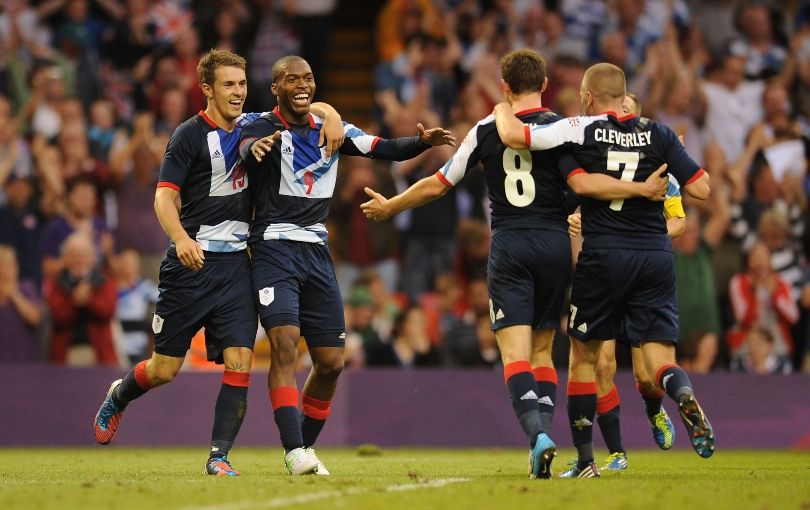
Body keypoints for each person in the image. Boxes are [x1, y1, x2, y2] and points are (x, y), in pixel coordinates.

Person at [360, 49, 667, 480]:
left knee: (514, 354)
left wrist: (392, 206)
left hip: (509, 244)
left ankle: (538, 437)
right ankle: (544, 440)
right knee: (544, 351)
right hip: (556, 245)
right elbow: (591, 178)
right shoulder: (564, 129)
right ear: (544, 84)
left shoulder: (487, 128)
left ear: (504, 86)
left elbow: (438, 183)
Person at [91, 49, 345, 477]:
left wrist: (331, 113)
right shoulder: (188, 135)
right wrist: (180, 238)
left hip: (237, 268)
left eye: (242, 84)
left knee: (240, 361)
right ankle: (120, 394)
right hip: (190, 265)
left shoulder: (255, 124)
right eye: (229, 85)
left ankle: (218, 457)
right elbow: (163, 197)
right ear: (207, 89)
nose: (238, 92)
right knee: (164, 368)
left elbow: (301, 100)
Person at [493, 62, 714, 479]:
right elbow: (703, 189)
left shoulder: (582, 130)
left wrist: (501, 110)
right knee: (659, 360)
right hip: (654, 256)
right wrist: (666, 171)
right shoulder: (661, 133)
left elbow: (533, 148)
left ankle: (585, 460)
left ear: (590, 97)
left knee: (584, 358)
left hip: (603, 255)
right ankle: (680, 389)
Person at [239, 54, 455, 476]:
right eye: (292, 80)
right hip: (273, 245)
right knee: (284, 344)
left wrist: (423, 143)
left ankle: (302, 445)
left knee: (332, 363)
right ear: (276, 87)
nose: (302, 85)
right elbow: (246, 147)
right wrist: (255, 149)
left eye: (309, 77)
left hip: (317, 252)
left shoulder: (331, 131)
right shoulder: (261, 125)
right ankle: (294, 451)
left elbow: (385, 148)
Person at [565, 92, 684, 471]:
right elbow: (572, 211)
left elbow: (679, 221)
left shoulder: (661, 170)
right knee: (599, 366)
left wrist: (647, 236)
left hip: (641, 269)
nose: (624, 112)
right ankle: (617, 453)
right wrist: (577, 225)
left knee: (646, 377)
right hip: (605, 269)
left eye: (631, 108)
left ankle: (654, 409)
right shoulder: (594, 160)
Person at [46, 232, 117, 366]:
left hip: (99, 353)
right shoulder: (57, 283)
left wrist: (88, 300)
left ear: (92, 257)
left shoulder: (104, 280)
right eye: (74, 254)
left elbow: (108, 310)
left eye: (83, 254)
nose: (79, 259)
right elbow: (57, 316)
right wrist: (74, 301)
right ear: (65, 258)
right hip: (65, 354)